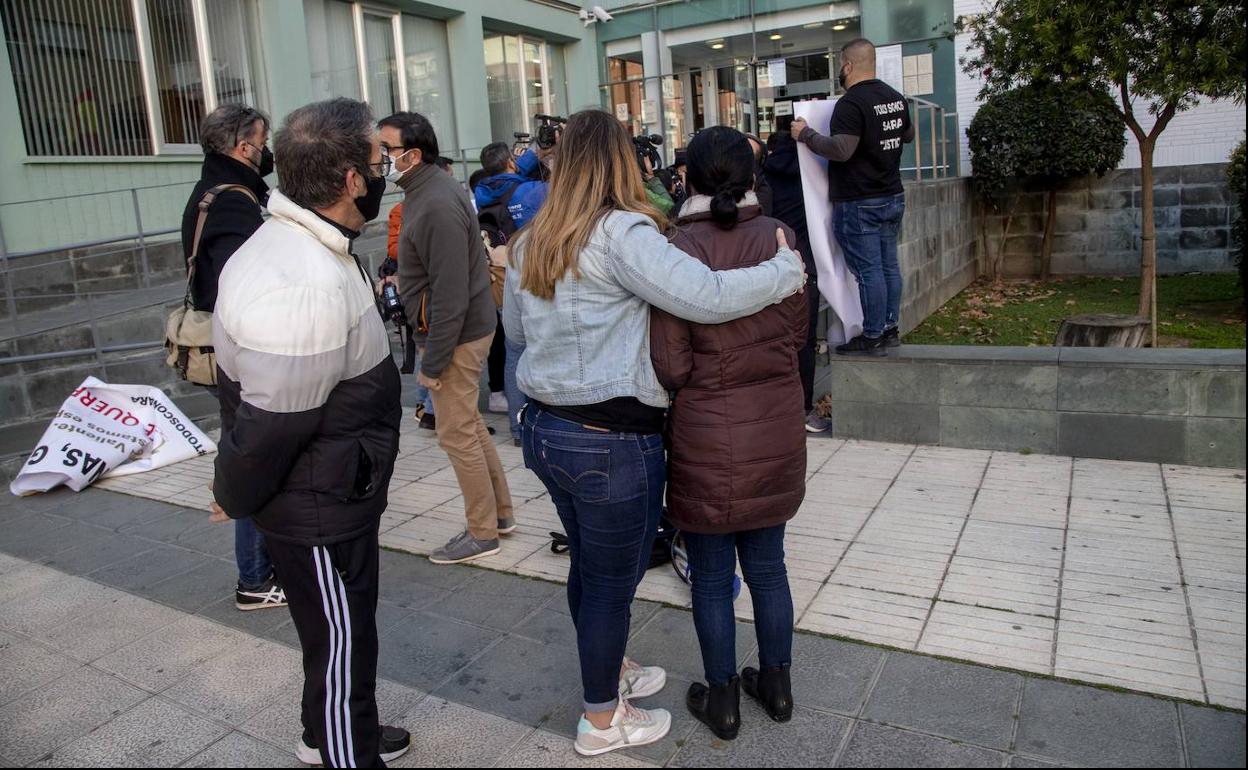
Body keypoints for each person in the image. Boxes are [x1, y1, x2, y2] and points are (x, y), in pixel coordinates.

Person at [503, 109, 806, 757]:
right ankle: (602, 721)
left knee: (588, 567)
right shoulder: (623, 235)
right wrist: (783, 274)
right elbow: (707, 297)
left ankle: (608, 672)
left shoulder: (532, 239)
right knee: (612, 585)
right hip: (610, 441)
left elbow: (519, 335)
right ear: (620, 161)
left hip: (546, 432)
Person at [208, 97, 411, 767]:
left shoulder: (310, 246)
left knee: (338, 635)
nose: (386, 173)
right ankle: (346, 748)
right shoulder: (301, 280)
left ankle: (329, 727)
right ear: (352, 179)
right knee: (342, 641)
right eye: (379, 163)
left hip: (330, 489)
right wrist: (231, 490)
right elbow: (270, 426)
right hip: (317, 504)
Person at [650, 126, 807, 741]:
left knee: (712, 577)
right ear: (751, 175)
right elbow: (796, 336)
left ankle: (722, 702)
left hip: (705, 436)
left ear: (687, 177)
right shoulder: (778, 237)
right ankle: (778, 686)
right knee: (770, 569)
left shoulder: (677, 248)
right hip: (774, 426)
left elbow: (671, 363)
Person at [383, 111, 516, 565]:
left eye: (387, 150)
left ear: (412, 154)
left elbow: (450, 290)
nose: (380, 158)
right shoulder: (429, 190)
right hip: (461, 329)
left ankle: (482, 532)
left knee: (455, 433)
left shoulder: (435, 201)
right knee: (470, 427)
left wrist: (434, 364)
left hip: (456, 334)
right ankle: (499, 516)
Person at [179, 104, 287, 612]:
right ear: (245, 147)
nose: (266, 152)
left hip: (235, 350)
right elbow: (243, 289)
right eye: (262, 143)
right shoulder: (234, 203)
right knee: (254, 456)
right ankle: (255, 578)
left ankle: (263, 569)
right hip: (246, 354)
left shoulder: (212, 192)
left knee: (251, 452)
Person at [791, 37, 914, 356]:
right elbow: (908, 135)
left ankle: (872, 335)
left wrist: (805, 135)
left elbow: (842, 150)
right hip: (892, 195)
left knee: (870, 271)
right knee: (889, 266)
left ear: (847, 65)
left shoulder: (851, 103)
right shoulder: (895, 97)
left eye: (839, 66)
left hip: (860, 201)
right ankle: (889, 328)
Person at [765, 125, 831, 433]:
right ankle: (804, 410)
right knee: (803, 342)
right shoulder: (812, 175)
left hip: (770, 267)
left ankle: (777, 410)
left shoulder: (763, 175)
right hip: (805, 266)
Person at [380, 202, 435, 430]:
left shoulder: (404, 209)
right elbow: (394, 249)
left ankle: (425, 406)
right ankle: (430, 409)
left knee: (426, 347)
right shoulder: (403, 210)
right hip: (419, 290)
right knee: (432, 348)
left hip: (417, 289)